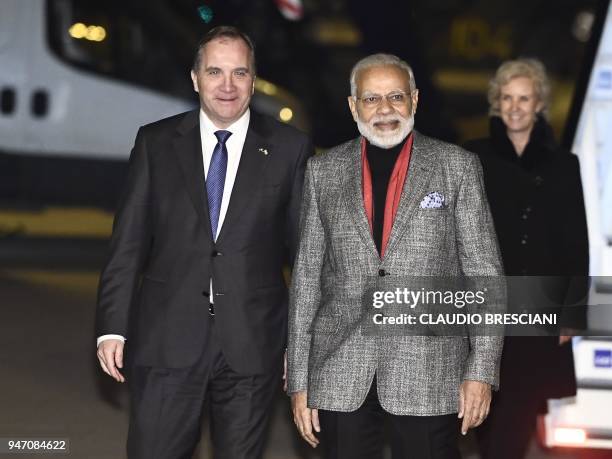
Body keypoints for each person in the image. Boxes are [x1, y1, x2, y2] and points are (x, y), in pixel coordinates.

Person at [95, 26, 313, 459]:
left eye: (239, 73)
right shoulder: (156, 143)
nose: (227, 85)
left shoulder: (289, 149)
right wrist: (112, 326)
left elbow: (307, 256)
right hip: (167, 337)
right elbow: (128, 242)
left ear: (254, 80)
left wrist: (302, 346)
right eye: (215, 71)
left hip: (253, 343)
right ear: (195, 78)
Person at [287, 53, 504, 459]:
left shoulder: (456, 167)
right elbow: (306, 282)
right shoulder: (323, 172)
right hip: (341, 365)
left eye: (396, 97)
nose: (385, 109)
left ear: (415, 101)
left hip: (429, 369)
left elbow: (484, 276)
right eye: (371, 99)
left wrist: (481, 370)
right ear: (353, 106)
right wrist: (300, 379)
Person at [464, 58, 589, 459]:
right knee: (483, 413)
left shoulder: (563, 165)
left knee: (517, 414)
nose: (515, 106)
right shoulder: (474, 158)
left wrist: (571, 312)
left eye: (524, 98)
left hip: (538, 310)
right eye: (507, 98)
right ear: (496, 104)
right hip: (485, 309)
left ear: (539, 105)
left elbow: (575, 241)